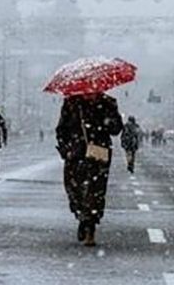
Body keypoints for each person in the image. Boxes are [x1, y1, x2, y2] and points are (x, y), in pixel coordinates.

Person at [56, 92, 123, 248]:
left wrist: (107, 122)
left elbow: (117, 129)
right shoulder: (71, 103)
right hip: (76, 153)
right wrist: (66, 148)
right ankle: (82, 217)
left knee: (96, 190)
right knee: (73, 187)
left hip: (98, 153)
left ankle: (90, 226)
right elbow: (61, 128)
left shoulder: (108, 103)